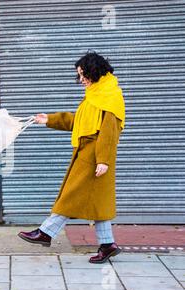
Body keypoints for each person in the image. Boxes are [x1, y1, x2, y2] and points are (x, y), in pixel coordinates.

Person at [18, 52, 126, 264]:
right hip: (87, 152)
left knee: (71, 194)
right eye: (79, 76)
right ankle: (107, 245)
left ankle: (46, 232)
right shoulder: (95, 95)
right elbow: (79, 120)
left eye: (83, 75)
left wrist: (103, 160)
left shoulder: (109, 96)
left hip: (95, 153)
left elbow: (109, 132)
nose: (81, 80)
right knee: (98, 203)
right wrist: (49, 119)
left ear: (94, 72)